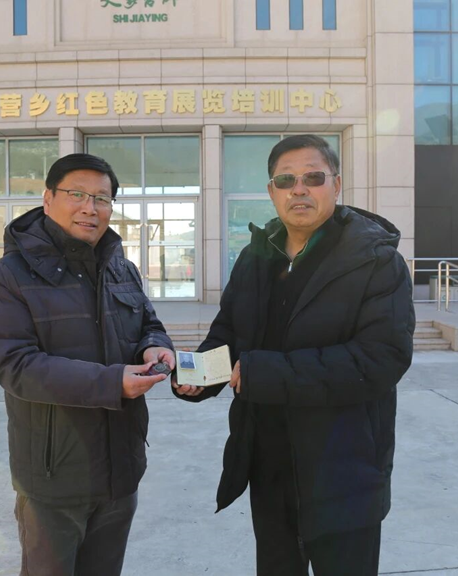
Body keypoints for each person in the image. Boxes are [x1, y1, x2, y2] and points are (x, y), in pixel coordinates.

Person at [174, 135, 415, 575]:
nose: (299, 189)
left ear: (336, 184)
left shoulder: (375, 261)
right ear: (272, 191)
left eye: (313, 178)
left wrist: (265, 373)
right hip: (269, 466)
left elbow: (380, 360)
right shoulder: (255, 257)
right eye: (286, 180)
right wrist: (198, 375)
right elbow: (229, 332)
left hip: (345, 470)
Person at [0, 153, 175, 576]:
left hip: (121, 469)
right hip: (54, 476)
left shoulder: (122, 268)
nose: (90, 207)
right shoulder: (12, 275)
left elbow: (149, 324)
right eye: (77, 194)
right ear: (48, 198)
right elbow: (14, 364)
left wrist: (155, 347)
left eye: (102, 198)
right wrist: (111, 383)